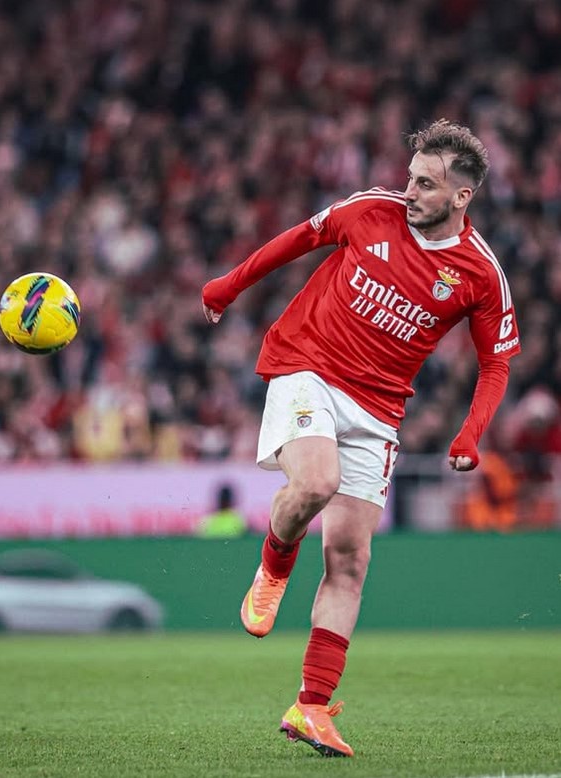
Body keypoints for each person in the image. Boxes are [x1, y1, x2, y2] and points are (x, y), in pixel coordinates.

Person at [202, 119, 521, 758]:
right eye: (411, 177)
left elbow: (496, 362)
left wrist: (470, 433)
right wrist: (229, 285)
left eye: (426, 185)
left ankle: (311, 707)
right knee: (315, 483)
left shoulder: (481, 273)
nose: (410, 192)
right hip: (307, 366)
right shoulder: (372, 210)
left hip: (378, 410)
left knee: (350, 558)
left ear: (462, 196)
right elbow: (301, 238)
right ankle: (275, 561)